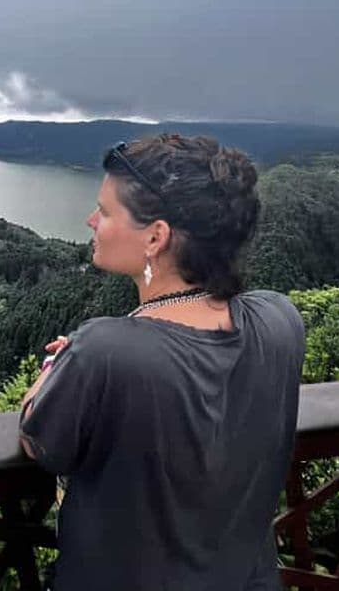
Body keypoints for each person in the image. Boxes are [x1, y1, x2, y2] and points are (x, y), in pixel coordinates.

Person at [19, 134, 305, 590]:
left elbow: (38, 440)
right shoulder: (280, 319)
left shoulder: (103, 351)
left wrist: (57, 366)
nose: (91, 220)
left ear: (155, 236)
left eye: (105, 212)